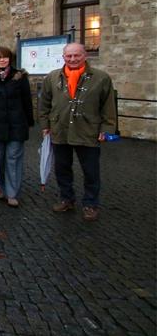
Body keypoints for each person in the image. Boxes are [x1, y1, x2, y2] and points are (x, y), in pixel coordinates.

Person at [38, 42, 116, 222]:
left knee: (91, 171)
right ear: (63, 57)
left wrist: (107, 130)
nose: (72, 59)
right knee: (62, 169)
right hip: (60, 130)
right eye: (69, 56)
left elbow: (108, 107)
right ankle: (66, 198)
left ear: (85, 56)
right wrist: (45, 126)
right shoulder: (52, 77)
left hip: (88, 131)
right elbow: (44, 105)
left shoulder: (101, 78)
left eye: (76, 55)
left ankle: (90, 204)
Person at [0, 46, 34, 207]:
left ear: (10, 59)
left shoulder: (19, 77)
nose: (2, 60)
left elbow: (26, 101)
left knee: (13, 159)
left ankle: (12, 193)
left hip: (17, 124)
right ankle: (0, 186)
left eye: (5, 57)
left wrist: (29, 121)